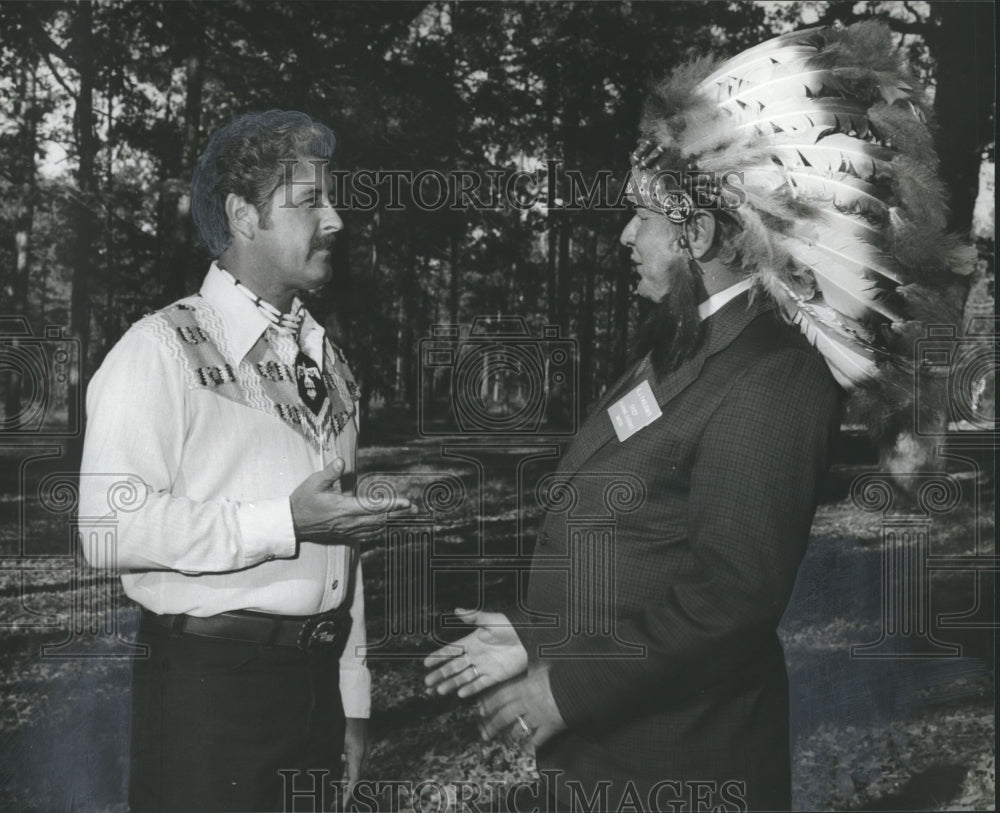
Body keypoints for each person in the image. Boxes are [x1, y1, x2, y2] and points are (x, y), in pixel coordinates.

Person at [424, 22, 970, 813]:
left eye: (642, 217)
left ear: (700, 232)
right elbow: (644, 542)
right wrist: (536, 633)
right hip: (617, 761)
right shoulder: (687, 343)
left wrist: (567, 690)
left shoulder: (774, 374)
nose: (624, 236)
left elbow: (729, 600)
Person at [79, 110, 410, 813]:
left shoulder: (329, 359)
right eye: (310, 201)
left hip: (314, 690)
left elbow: (341, 560)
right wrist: (283, 521)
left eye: (333, 197)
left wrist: (352, 699)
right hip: (210, 698)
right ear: (242, 215)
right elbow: (108, 525)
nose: (336, 220)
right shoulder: (159, 348)